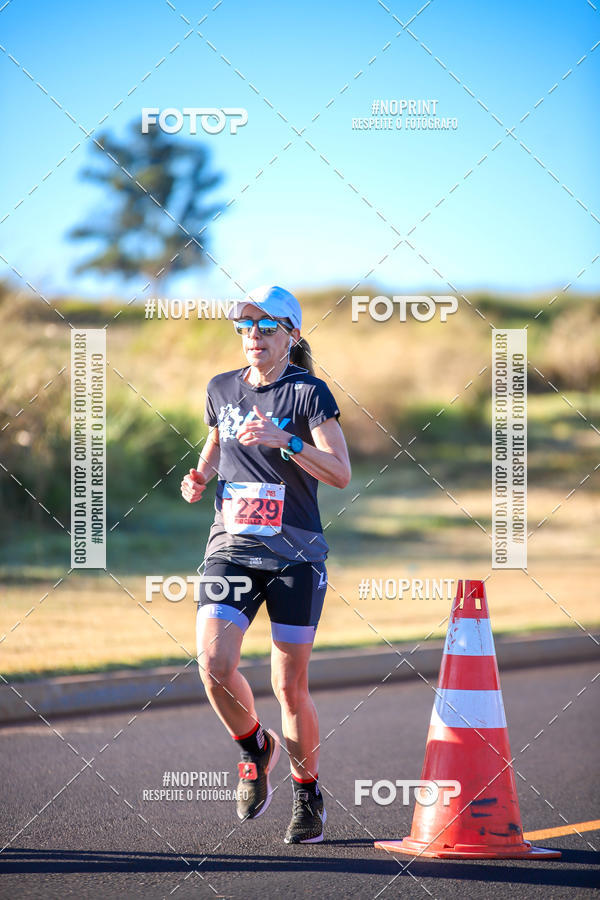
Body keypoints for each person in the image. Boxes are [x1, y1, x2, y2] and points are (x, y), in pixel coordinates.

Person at [180, 285, 351, 844]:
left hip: (296, 553)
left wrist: (288, 442)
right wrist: (202, 475)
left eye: (266, 327)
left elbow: (341, 472)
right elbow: (215, 442)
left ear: (291, 335)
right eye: (246, 327)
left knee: (288, 683)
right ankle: (256, 748)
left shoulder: (309, 394)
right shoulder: (221, 388)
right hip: (231, 545)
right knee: (213, 663)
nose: (253, 336)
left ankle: (308, 794)